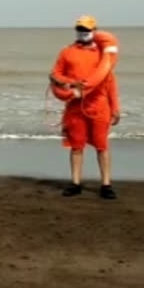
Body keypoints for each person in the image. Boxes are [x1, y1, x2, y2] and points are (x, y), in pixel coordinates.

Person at [50, 15, 120, 199]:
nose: (83, 32)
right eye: (80, 29)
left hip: (98, 106)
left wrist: (115, 107)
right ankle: (75, 183)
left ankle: (106, 184)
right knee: (76, 146)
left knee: (101, 146)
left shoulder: (103, 54)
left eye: (87, 29)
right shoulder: (67, 52)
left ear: (94, 31)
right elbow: (56, 75)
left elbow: (110, 81)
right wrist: (72, 85)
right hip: (74, 107)